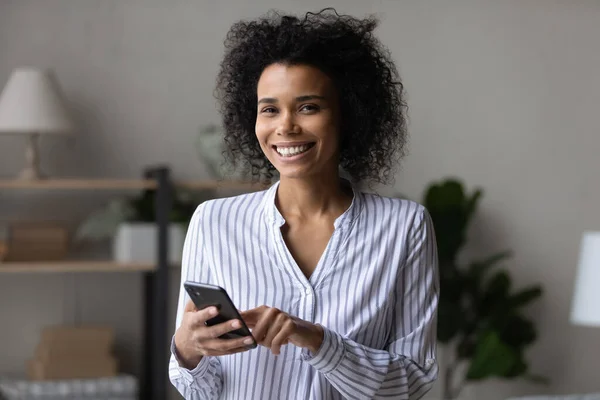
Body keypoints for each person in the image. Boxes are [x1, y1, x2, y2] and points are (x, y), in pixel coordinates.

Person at [169, 8, 439, 400]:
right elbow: (201, 391)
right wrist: (188, 351)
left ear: (347, 116)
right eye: (270, 109)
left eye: (308, 107)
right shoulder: (213, 223)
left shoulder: (404, 227)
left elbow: (410, 382)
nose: (286, 126)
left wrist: (317, 341)